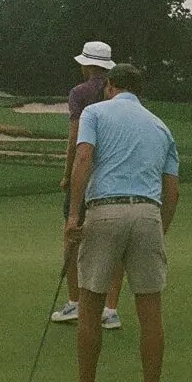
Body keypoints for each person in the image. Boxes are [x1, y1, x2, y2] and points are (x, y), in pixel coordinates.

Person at [46, 63, 181, 382]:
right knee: (150, 310)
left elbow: (84, 156)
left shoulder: (94, 112)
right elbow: (172, 189)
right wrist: (159, 230)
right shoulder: (161, 126)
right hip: (148, 214)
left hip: (105, 210)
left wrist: (74, 215)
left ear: (110, 85)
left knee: (89, 304)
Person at [51, 41, 126, 331]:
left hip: (88, 170)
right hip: (115, 173)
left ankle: (75, 302)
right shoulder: (118, 92)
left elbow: (76, 139)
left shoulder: (79, 93)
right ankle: (110, 308)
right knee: (115, 242)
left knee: (72, 232)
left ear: (86, 65)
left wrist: (67, 173)